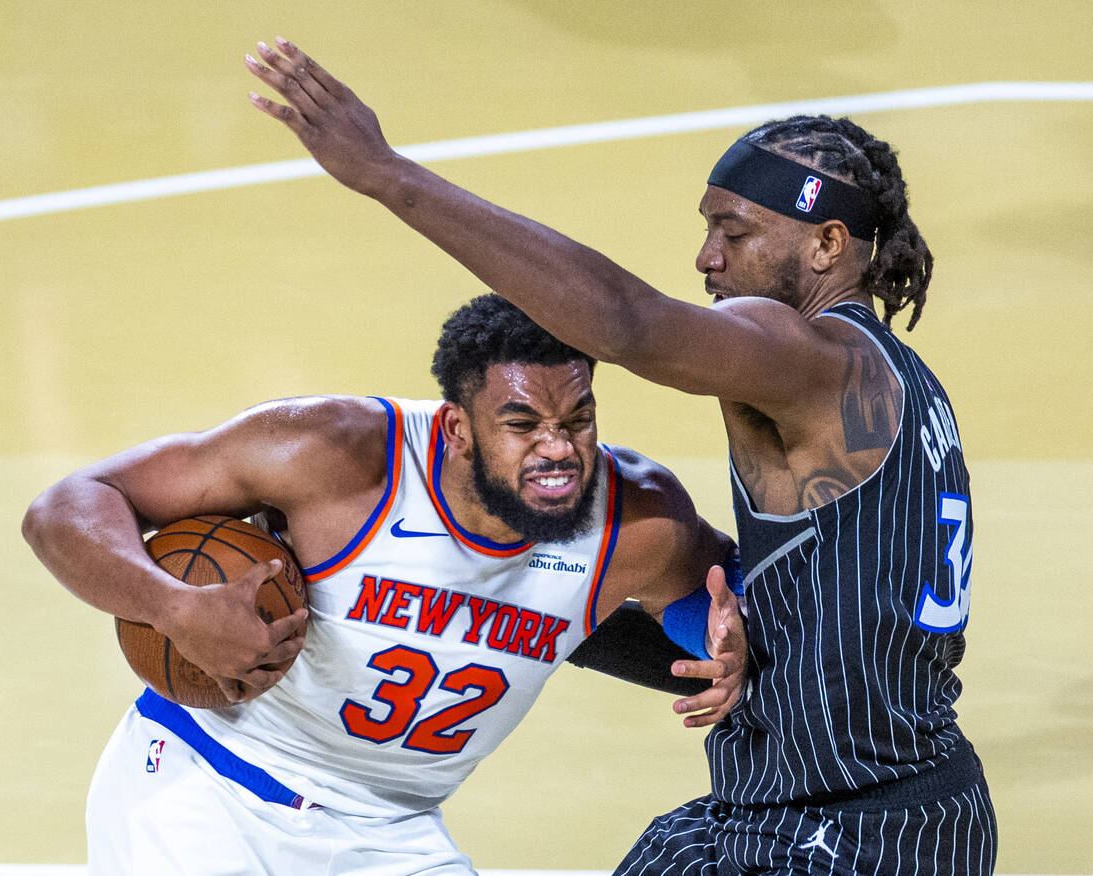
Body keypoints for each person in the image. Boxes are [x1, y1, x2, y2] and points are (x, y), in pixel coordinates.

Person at [245, 37, 997, 874]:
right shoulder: (898, 378)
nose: (707, 257)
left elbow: (627, 322)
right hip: (812, 801)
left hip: (857, 831)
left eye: (733, 231)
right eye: (707, 228)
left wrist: (389, 175)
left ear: (826, 245)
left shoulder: (812, 358)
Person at [22, 294, 745, 874]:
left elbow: (708, 595)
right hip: (203, 786)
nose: (557, 449)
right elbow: (68, 504)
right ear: (457, 429)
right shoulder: (335, 454)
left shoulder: (636, 518)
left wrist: (721, 639)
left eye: (578, 419)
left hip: (391, 829)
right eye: (522, 423)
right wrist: (172, 606)